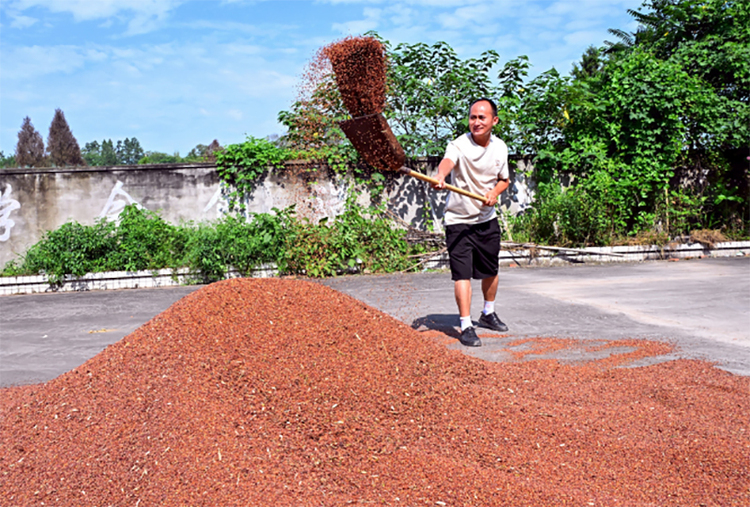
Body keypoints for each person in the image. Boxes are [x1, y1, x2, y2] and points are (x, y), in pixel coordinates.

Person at [432, 98, 510, 347]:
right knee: (462, 274)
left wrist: (494, 193)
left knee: (491, 270)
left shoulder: (501, 148)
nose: (476, 122)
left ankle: (488, 313)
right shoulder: (458, 144)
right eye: (472, 117)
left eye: (482, 117)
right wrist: (441, 175)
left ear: (494, 121)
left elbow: (504, 180)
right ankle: (465, 325)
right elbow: (447, 162)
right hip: (458, 220)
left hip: (486, 219)